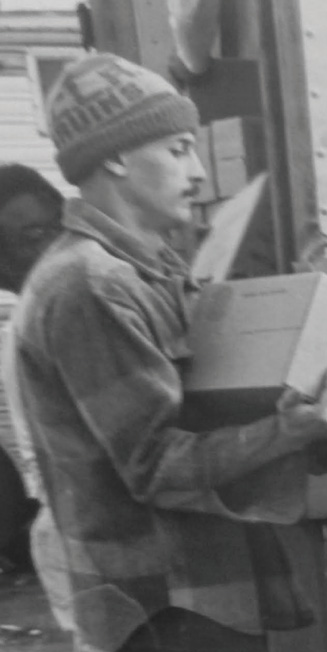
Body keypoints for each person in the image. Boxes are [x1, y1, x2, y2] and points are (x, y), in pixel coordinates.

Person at [14, 52, 327, 652]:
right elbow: (155, 465)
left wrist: (299, 432)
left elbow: (197, 416)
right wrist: (287, 434)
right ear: (116, 156)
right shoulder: (91, 284)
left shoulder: (143, 271)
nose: (198, 172)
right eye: (178, 150)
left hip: (189, 598)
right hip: (164, 607)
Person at [0, 163, 64, 642]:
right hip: (76, 541)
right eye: (34, 235)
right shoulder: (42, 331)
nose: (56, 245)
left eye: (59, 226)